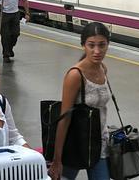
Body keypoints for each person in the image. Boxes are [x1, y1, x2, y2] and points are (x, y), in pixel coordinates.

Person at [48, 22, 112, 180]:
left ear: (108, 45)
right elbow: (64, 118)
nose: (97, 51)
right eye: (91, 45)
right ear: (83, 45)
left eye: (102, 45)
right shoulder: (75, 75)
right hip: (75, 143)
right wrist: (57, 159)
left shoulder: (103, 69)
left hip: (99, 144)